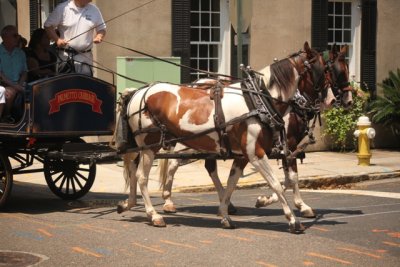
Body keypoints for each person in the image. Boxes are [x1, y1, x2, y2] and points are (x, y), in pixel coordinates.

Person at [44, 0, 106, 75]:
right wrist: (57, 40)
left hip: (86, 58)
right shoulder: (62, 8)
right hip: (66, 58)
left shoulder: (94, 10)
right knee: (67, 85)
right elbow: (48, 25)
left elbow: (102, 28)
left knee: (85, 85)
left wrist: (99, 36)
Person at [0, 25, 27, 123]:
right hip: (4, 84)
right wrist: (16, 86)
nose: (18, 38)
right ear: (5, 37)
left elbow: (24, 71)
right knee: (9, 93)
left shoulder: (21, 53)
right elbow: (1, 75)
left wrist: (19, 84)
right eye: (15, 35)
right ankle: (6, 116)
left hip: (19, 83)